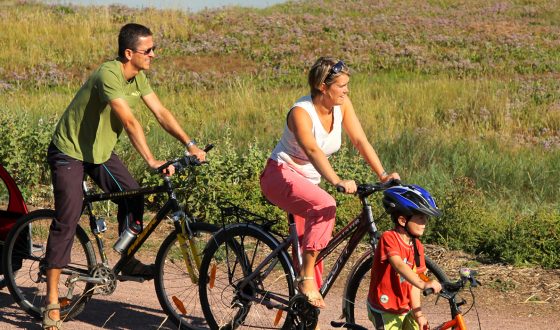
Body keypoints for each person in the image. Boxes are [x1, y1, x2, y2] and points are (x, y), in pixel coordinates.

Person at [42, 23, 205, 330]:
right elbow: (129, 122)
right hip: (70, 152)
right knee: (68, 217)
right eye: (149, 50)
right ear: (129, 53)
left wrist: (190, 144)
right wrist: (152, 160)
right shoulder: (109, 75)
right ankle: (51, 299)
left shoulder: (138, 77)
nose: (154, 55)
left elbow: (161, 112)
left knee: (133, 195)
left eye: (154, 49)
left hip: (99, 152)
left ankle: (125, 258)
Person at [259, 56, 400, 311]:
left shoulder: (342, 105)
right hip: (280, 175)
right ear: (323, 86)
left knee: (316, 248)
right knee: (325, 205)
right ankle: (305, 279)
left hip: (308, 183)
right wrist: (335, 180)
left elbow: (360, 140)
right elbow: (312, 150)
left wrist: (382, 174)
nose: (347, 90)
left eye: (347, 85)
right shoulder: (301, 113)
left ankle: (305, 313)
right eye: (342, 86)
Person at [367, 185, 443, 330]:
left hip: (406, 307)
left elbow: (419, 276)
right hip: (385, 309)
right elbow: (399, 265)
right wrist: (423, 284)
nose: (424, 223)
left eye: (425, 218)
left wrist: (418, 313)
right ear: (402, 220)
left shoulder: (417, 246)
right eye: (420, 218)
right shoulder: (389, 238)